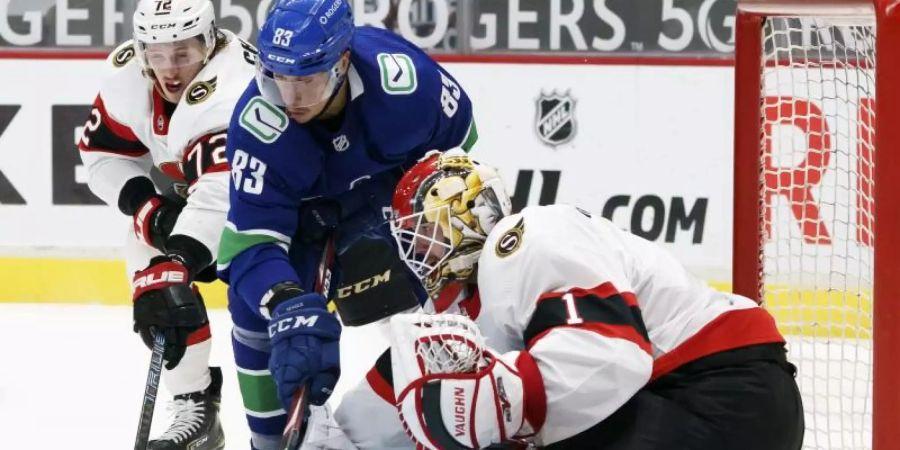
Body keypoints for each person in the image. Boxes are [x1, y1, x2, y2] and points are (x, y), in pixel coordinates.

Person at [325, 151, 804, 449]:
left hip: (722, 396)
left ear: (463, 220)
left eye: (424, 233)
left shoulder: (526, 239)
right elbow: (394, 396)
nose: (417, 252)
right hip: (699, 403)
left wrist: (502, 401)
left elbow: (611, 356)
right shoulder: (469, 306)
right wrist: (333, 437)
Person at [216, 0, 477, 448]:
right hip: (304, 221)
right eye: (278, 78)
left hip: (390, 196)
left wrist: (420, 214)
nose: (290, 99)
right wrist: (286, 303)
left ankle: (478, 394)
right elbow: (248, 246)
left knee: (461, 265)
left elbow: (458, 166)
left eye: (306, 82)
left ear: (341, 63)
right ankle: (271, 442)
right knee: (256, 314)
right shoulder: (257, 127)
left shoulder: (407, 87)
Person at [77, 0, 258, 448]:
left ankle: (305, 410)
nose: (169, 69)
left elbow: (221, 196)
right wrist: (148, 210)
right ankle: (195, 406)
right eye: (155, 54)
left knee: (264, 316)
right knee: (143, 256)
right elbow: (101, 155)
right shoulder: (127, 76)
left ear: (210, 41)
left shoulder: (234, 86)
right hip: (203, 199)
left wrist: (178, 257)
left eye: (183, 53)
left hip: (272, 210)